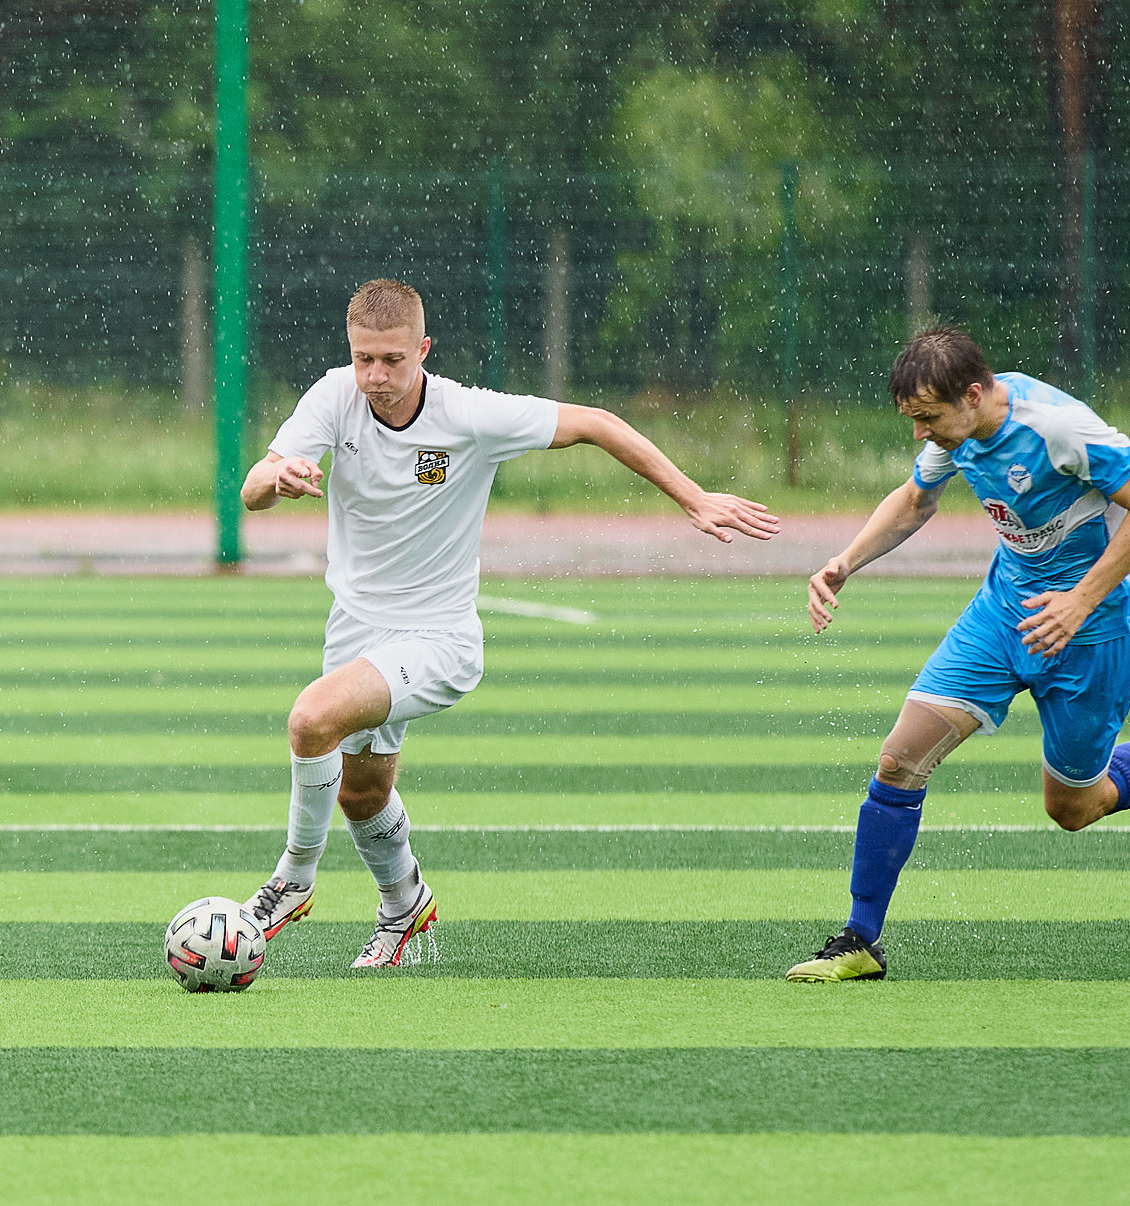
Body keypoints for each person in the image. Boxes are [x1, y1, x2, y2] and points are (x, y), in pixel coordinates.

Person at [242, 277, 781, 967]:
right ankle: (404, 903)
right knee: (360, 793)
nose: (376, 376)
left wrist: (693, 496)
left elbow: (598, 423)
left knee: (310, 719)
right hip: (355, 629)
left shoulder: (468, 414)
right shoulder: (331, 396)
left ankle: (292, 880)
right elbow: (256, 485)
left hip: (438, 639)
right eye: (363, 359)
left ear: (423, 350)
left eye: (392, 361)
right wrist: (278, 477)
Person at [787, 324, 1130, 983]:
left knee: (1073, 809)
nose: (920, 435)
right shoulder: (954, 434)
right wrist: (844, 563)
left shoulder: (1058, 430)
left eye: (928, 419)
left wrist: (1078, 601)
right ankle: (860, 939)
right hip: (1001, 617)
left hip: (1094, 635)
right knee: (900, 760)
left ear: (972, 395)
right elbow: (914, 501)